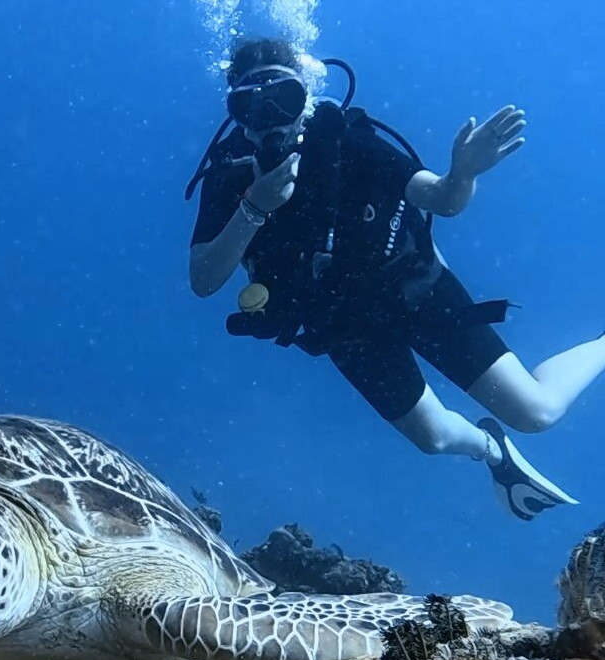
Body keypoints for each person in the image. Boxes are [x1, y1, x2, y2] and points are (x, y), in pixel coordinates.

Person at [187, 38, 605, 521]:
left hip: (414, 289)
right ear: (236, 114)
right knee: (435, 438)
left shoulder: (347, 139)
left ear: (306, 94)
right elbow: (203, 279)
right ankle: (493, 450)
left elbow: (443, 201)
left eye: (285, 98)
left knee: (537, 412)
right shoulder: (229, 175)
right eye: (252, 105)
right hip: (342, 325)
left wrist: (463, 173)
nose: (272, 118)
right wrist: (254, 205)